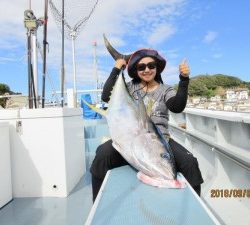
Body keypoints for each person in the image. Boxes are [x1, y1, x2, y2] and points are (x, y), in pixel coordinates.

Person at [90, 49, 203, 202]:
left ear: (157, 68)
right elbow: (105, 96)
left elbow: (177, 106)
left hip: (161, 139)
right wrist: (117, 68)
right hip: (127, 139)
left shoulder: (165, 90)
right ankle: (98, 202)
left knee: (190, 163)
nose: (147, 70)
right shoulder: (130, 88)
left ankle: (194, 207)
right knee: (102, 155)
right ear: (136, 70)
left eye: (151, 65)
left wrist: (184, 80)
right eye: (141, 67)